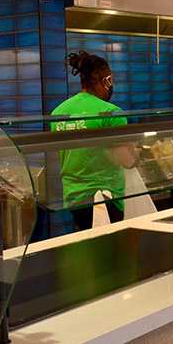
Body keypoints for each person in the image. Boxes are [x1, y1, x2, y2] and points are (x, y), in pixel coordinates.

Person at [51, 51, 137, 231]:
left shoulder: (58, 112)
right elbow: (127, 160)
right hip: (105, 197)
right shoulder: (111, 113)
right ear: (106, 80)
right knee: (108, 252)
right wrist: (137, 152)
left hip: (74, 197)